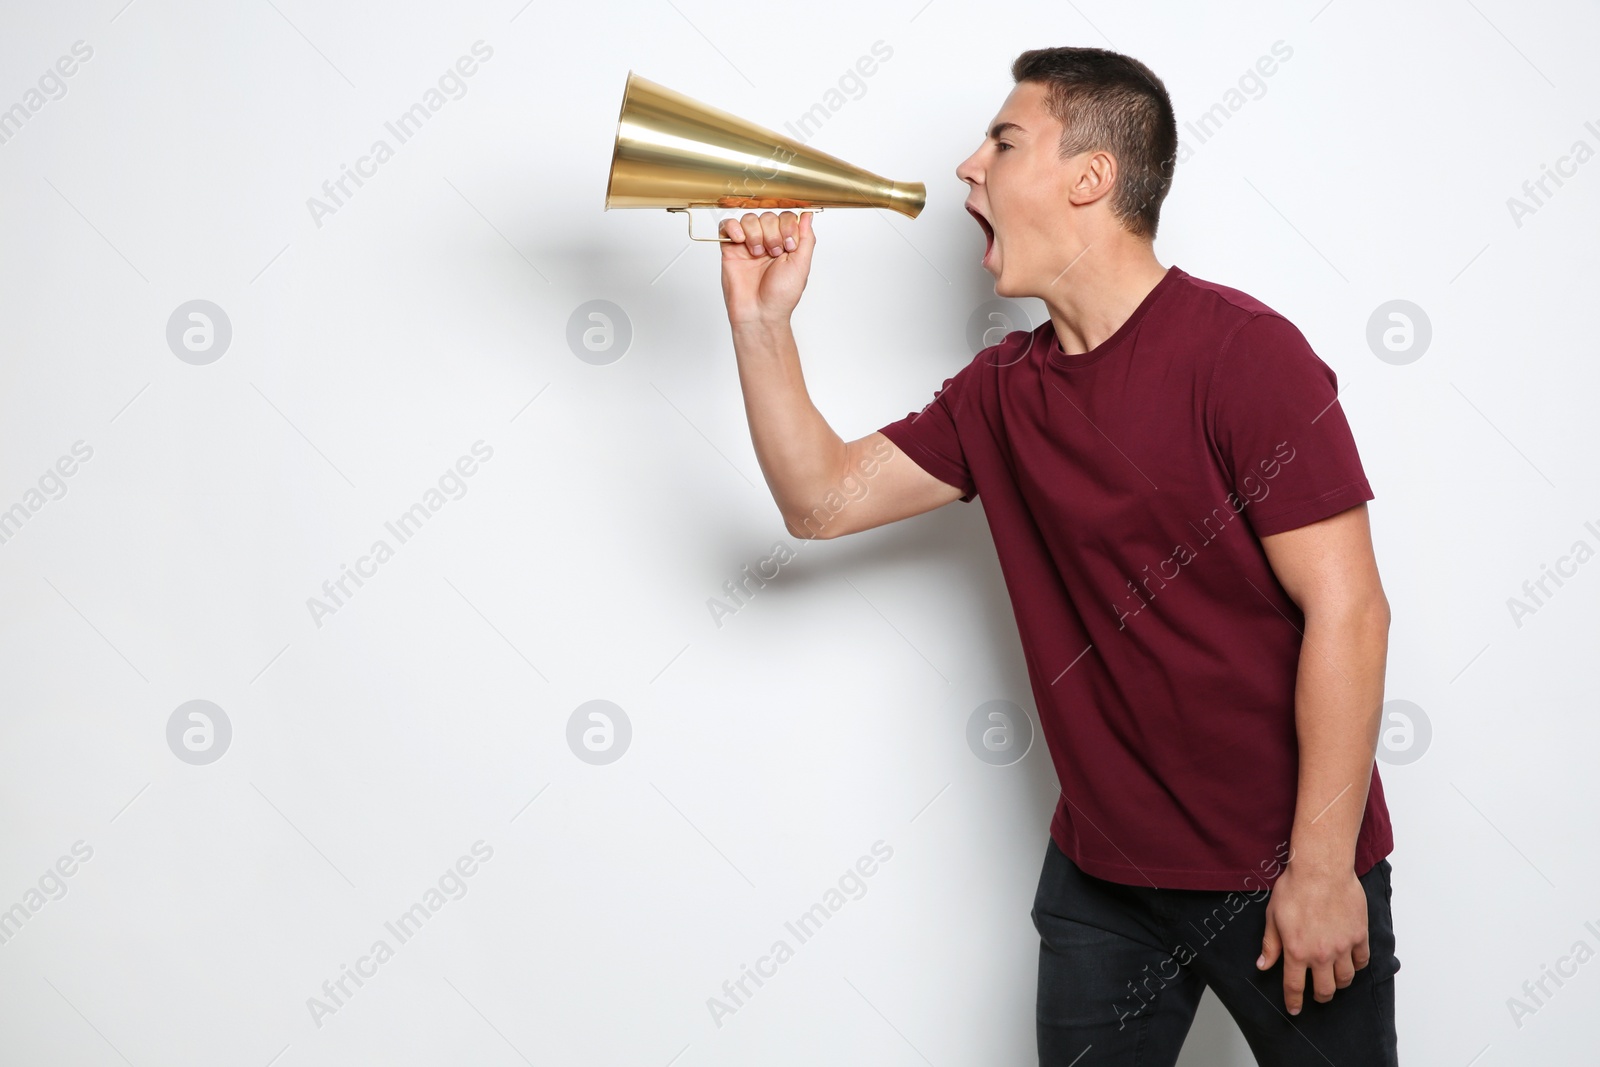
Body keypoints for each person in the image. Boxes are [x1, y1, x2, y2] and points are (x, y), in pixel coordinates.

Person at [716, 45, 1399, 1067]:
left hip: (1283, 868)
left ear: (1090, 179)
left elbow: (1350, 611)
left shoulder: (1245, 355)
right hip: (1101, 880)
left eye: (1002, 140)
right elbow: (818, 501)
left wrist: (1319, 867)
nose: (966, 167)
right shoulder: (997, 394)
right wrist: (760, 322)